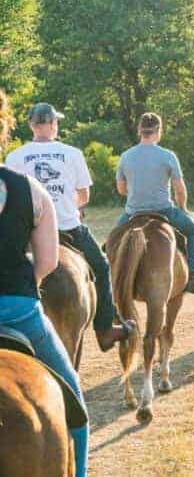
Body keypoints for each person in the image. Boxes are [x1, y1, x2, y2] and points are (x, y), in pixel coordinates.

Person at [0, 90, 90, 476]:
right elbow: (49, 262)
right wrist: (24, 287)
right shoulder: (29, 190)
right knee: (75, 408)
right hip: (20, 311)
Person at [4, 103, 136, 351]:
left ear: (32, 125)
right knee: (101, 265)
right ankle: (106, 328)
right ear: (54, 124)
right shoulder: (72, 153)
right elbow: (83, 196)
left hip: (26, 232)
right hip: (68, 228)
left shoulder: (14, 156)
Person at [114, 112, 194, 294]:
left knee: (110, 241)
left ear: (139, 131)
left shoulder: (125, 156)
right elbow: (179, 189)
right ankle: (192, 274)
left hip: (133, 213)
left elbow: (121, 189)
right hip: (164, 211)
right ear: (158, 131)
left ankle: (112, 284)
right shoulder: (168, 155)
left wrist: (135, 193)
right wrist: (183, 208)